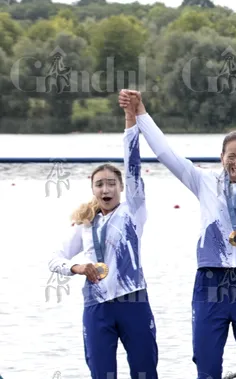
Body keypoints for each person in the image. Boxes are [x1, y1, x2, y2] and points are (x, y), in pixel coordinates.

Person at [124, 81, 236, 379]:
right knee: (207, 365)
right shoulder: (203, 182)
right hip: (210, 282)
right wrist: (142, 114)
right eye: (232, 156)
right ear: (221, 157)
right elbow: (166, 154)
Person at [48, 90, 158, 379]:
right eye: (100, 185)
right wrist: (77, 267)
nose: (106, 190)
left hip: (133, 300)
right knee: (101, 374)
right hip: (96, 306)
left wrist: (130, 118)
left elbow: (132, 164)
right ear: (93, 189)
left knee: (145, 372)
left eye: (111, 184)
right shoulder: (85, 222)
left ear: (122, 188)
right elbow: (54, 259)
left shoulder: (133, 211)